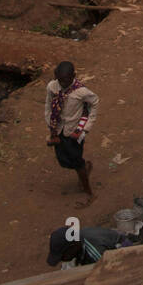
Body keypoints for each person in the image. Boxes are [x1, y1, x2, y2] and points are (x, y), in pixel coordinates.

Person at [45, 61, 99, 204]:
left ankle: (89, 192)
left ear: (73, 76)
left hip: (74, 131)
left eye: (66, 80)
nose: (63, 83)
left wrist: (85, 128)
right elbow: (48, 106)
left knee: (76, 160)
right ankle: (85, 169)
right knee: (63, 160)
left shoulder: (81, 92)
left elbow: (94, 104)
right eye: (60, 80)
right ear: (56, 77)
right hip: (59, 130)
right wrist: (51, 127)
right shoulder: (52, 87)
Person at [47, 225, 130, 268]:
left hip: (123, 250)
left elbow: (109, 272)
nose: (62, 260)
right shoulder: (78, 239)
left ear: (73, 247)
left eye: (63, 256)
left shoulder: (95, 253)